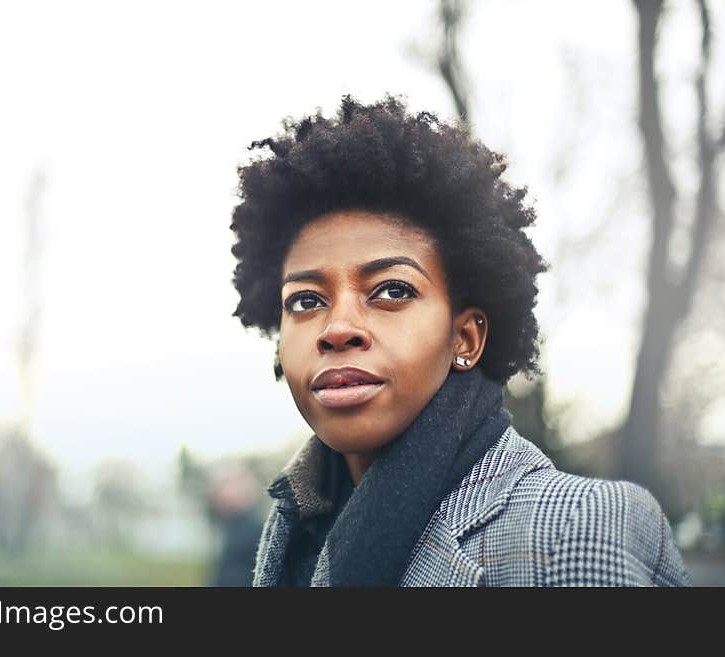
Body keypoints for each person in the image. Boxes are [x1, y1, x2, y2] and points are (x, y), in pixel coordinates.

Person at [228, 94, 691, 586]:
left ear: (465, 339)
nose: (337, 328)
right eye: (305, 301)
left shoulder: (579, 530)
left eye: (391, 291)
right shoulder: (294, 525)